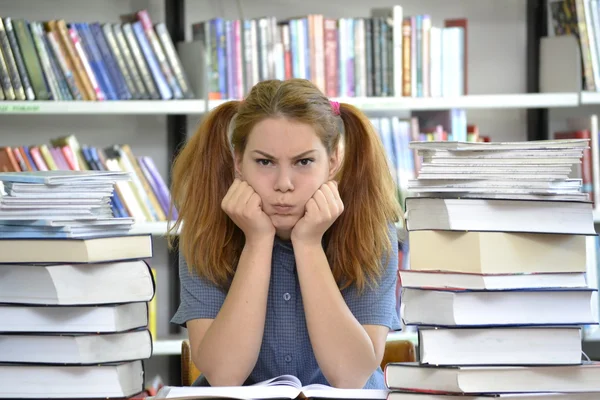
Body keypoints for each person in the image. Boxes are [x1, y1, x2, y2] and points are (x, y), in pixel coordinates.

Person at [168, 78, 403, 389]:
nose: (284, 184)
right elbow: (224, 376)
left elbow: (351, 377)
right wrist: (257, 242)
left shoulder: (371, 231)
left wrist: (308, 244)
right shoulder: (206, 231)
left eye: (303, 162)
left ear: (332, 161)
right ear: (239, 162)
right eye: (265, 162)